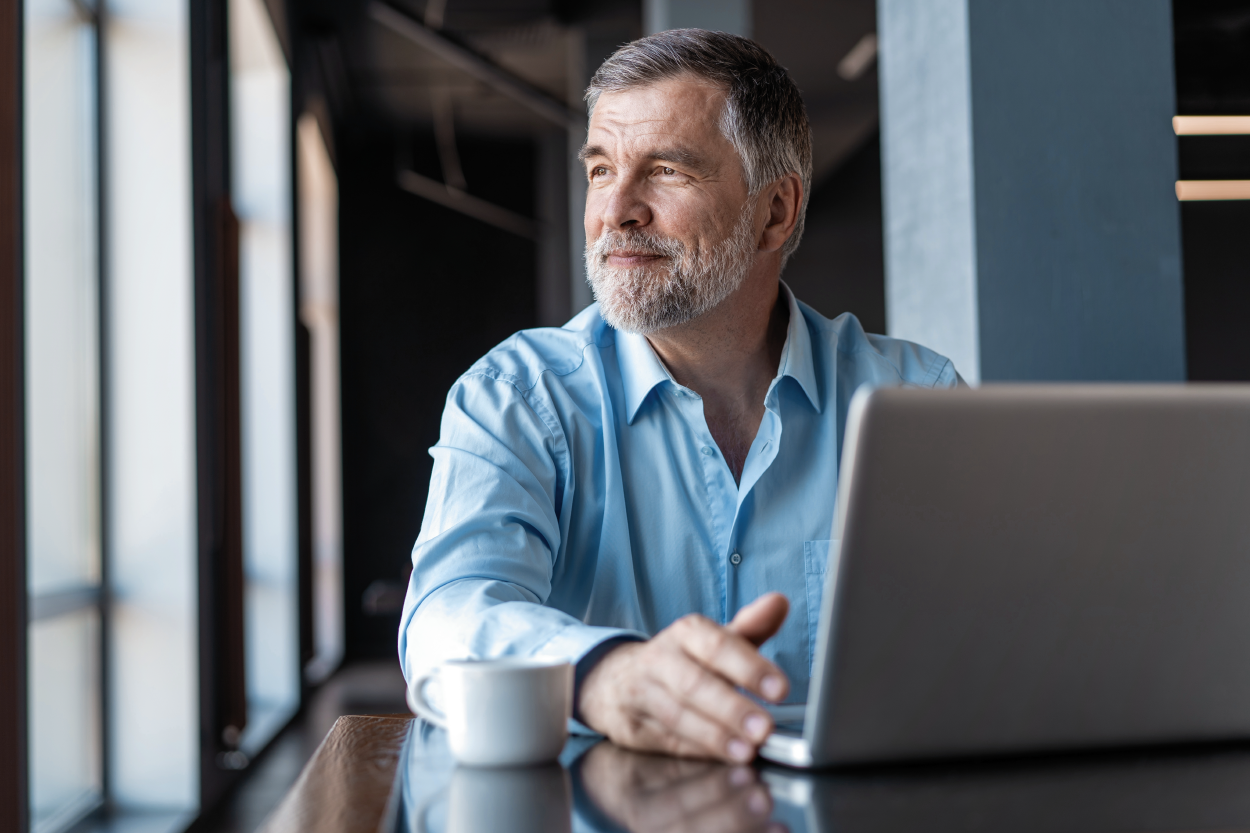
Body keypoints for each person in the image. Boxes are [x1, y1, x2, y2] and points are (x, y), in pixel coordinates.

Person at [399, 29, 962, 764]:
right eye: (601, 170)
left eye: (665, 170)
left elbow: (993, 637)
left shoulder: (914, 400)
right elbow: (446, 616)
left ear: (775, 211)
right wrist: (602, 673)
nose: (618, 211)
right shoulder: (517, 397)